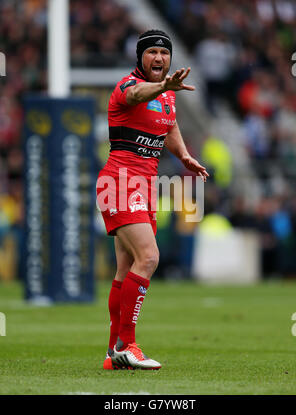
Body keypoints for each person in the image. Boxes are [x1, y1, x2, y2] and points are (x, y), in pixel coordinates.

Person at [96, 29, 209, 370]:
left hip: (145, 184)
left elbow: (169, 124)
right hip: (119, 182)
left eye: (164, 52)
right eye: (152, 52)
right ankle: (127, 345)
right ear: (140, 57)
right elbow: (136, 97)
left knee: (127, 267)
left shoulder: (168, 95)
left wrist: (184, 155)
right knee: (149, 258)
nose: (159, 58)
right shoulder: (129, 86)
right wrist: (163, 86)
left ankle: (113, 355)